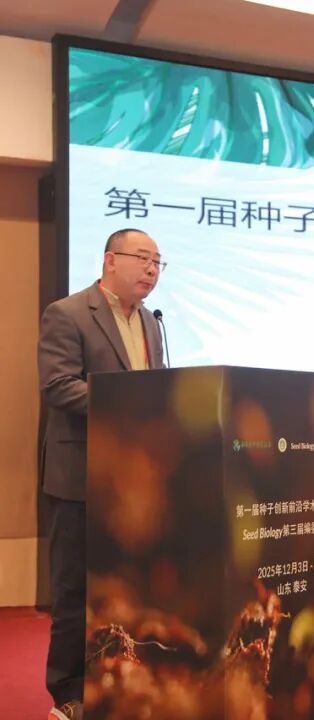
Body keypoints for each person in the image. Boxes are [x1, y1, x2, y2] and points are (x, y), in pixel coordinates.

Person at [38, 228, 166, 720]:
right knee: (75, 591)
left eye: (158, 262)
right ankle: (67, 693)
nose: (152, 269)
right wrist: (125, 403)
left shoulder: (151, 323)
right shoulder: (68, 313)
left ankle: (120, 681)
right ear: (111, 260)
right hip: (79, 476)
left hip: (130, 480)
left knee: (125, 589)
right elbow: (57, 386)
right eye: (143, 258)